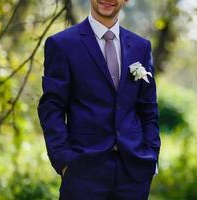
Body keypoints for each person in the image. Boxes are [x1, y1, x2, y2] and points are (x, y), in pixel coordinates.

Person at [37, 0, 160, 199]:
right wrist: (64, 161)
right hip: (82, 173)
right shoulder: (62, 44)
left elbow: (148, 108)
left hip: (134, 174)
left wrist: (151, 156)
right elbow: (52, 108)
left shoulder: (141, 47)